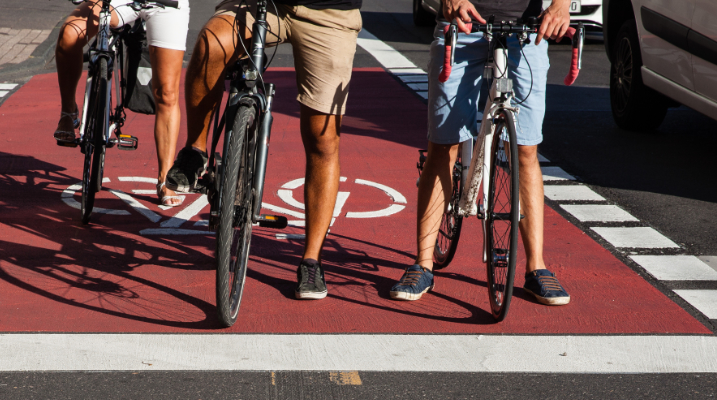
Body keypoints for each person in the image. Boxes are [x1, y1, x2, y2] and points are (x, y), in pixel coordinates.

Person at [164, 0, 362, 299]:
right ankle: (196, 151)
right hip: (262, 3)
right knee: (211, 44)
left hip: (329, 11)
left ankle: (311, 261)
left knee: (323, 138)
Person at [391, 0, 572, 306]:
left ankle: (536, 267)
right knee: (444, 146)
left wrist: (562, 5)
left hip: (526, 29)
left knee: (525, 149)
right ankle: (423, 263)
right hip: (461, 27)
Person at [53, 0, 190, 207]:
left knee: (167, 93)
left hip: (165, 4)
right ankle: (68, 111)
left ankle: (164, 178)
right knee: (69, 35)